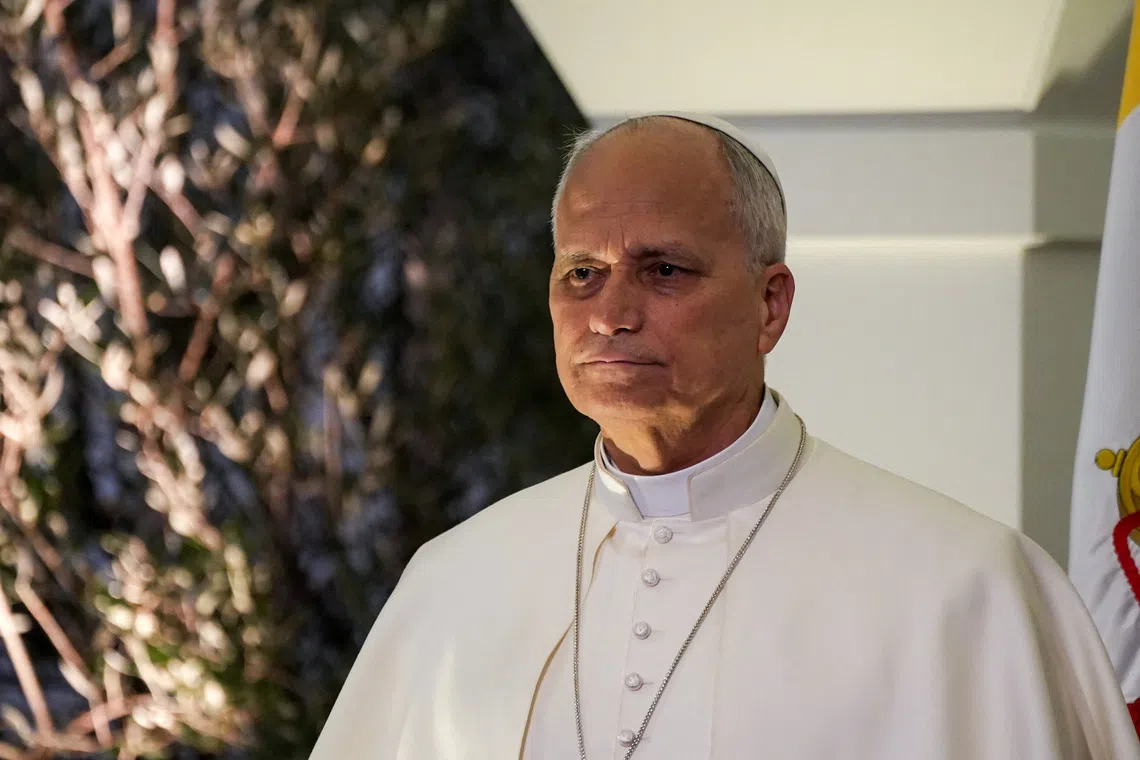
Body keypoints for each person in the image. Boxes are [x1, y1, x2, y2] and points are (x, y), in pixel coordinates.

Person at [305, 113, 1140, 759]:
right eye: (582, 273)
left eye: (664, 270)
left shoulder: (963, 590)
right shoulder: (456, 582)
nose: (611, 314)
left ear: (770, 305)